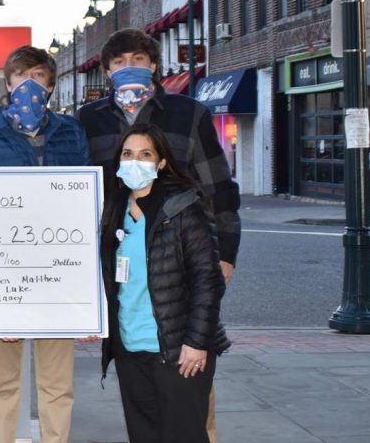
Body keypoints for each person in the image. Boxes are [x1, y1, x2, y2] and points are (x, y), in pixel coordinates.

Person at [77, 28, 241, 441]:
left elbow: (219, 187)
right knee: (145, 414)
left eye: (137, 59)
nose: (127, 68)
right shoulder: (88, 120)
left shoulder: (189, 113)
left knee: (190, 409)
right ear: (106, 70)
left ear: (153, 65)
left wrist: (227, 253)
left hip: (181, 261)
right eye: (117, 63)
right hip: (125, 268)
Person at [0, 45, 90, 443]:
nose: (28, 85)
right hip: (4, 276)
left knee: (57, 385)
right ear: (7, 83)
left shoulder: (72, 131)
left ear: (51, 85)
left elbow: (85, 205)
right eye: (20, 76)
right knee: (2, 386)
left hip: (57, 275)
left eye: (37, 76)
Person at [99, 123, 230, 443]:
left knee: (183, 435)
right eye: (127, 154)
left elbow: (208, 280)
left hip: (177, 350)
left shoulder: (184, 207)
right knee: (144, 435)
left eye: (145, 154)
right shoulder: (113, 209)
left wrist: (197, 343)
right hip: (131, 349)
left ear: (160, 163)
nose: (135, 161)